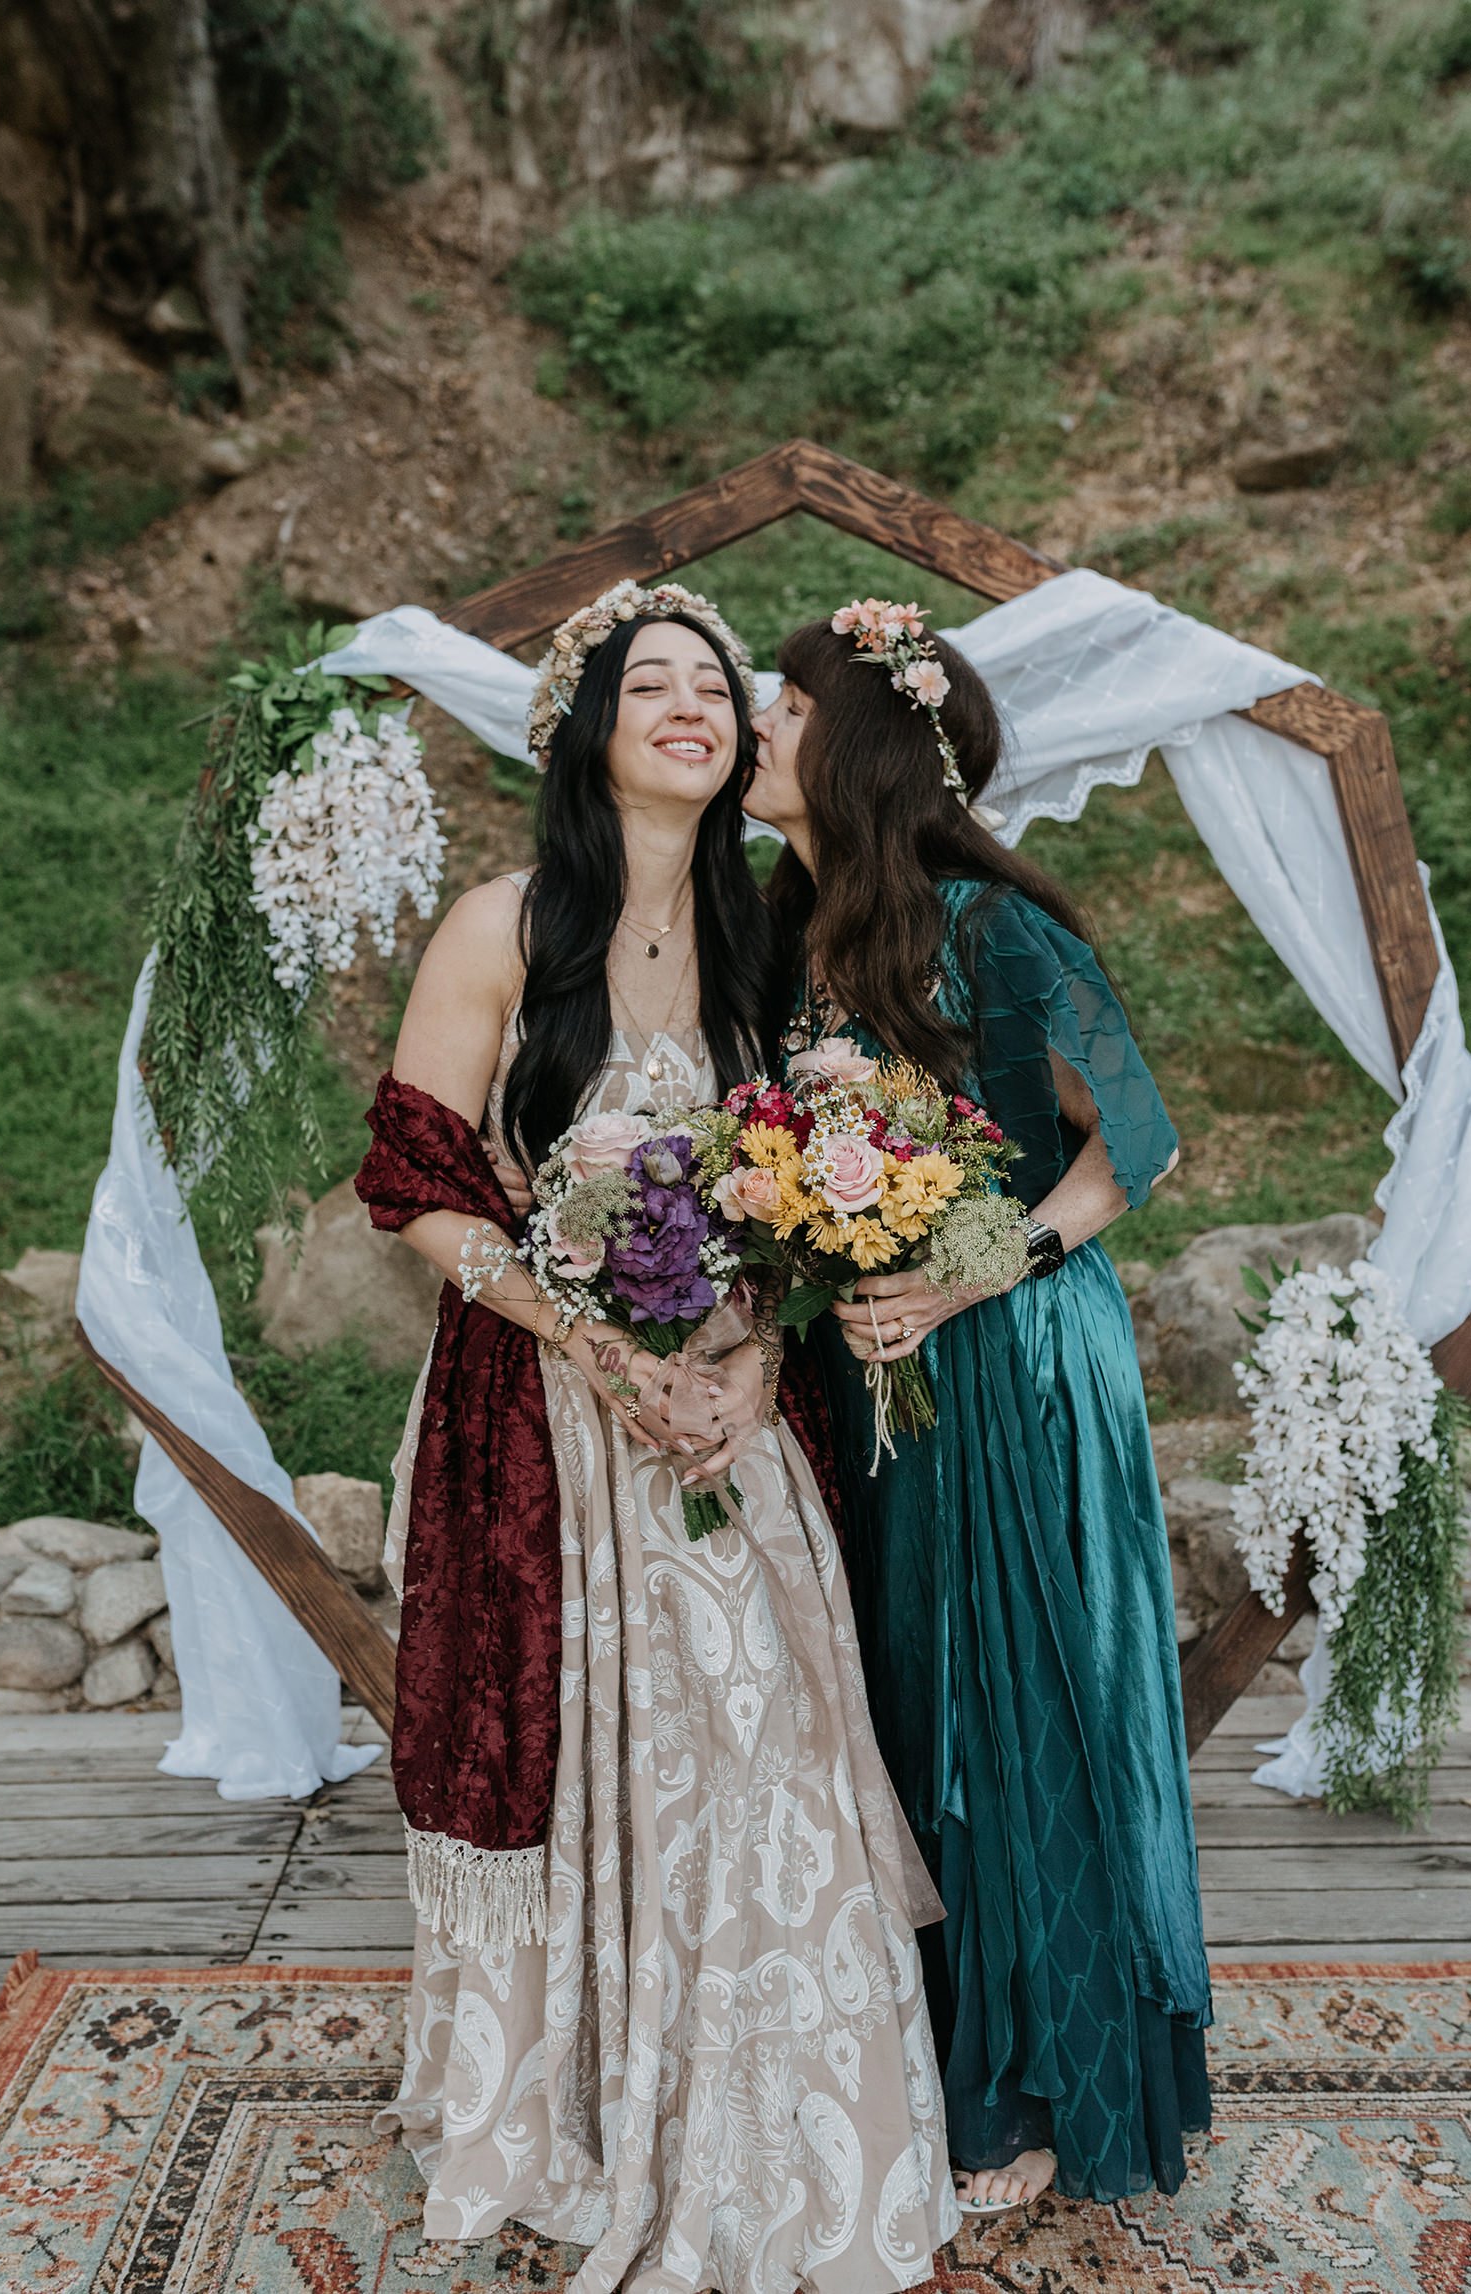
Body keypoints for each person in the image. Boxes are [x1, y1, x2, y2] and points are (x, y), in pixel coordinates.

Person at [355, 580, 959, 2292]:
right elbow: (412, 1185)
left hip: (730, 1414)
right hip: (548, 1413)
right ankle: (584, 2112)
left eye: (717, 685)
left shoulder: (773, 937)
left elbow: (797, 1202)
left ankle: (797, 2120)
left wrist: (758, 1355)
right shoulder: (501, 925)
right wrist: (596, 1340)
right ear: (591, 732)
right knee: (582, 1753)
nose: (696, 707)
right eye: (655, 686)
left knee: (763, 1747)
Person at [744, 601, 1212, 2218]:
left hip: (1010, 1352)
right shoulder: (782, 924)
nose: (754, 718)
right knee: (905, 1707)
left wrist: (970, 1271)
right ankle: (922, 2049)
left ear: (856, 742)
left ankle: (1032, 2084)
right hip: (869, 1363)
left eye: (783, 702)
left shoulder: (990, 929)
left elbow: (1134, 1141)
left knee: (1011, 1711)